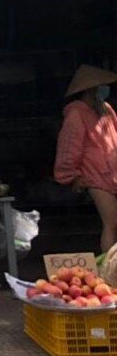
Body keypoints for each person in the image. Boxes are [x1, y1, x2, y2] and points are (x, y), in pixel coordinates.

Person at [54, 65, 117, 254]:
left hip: (113, 171)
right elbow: (69, 147)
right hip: (95, 175)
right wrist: (72, 176)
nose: (106, 89)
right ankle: (109, 267)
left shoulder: (106, 110)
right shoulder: (76, 113)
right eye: (102, 86)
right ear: (91, 89)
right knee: (112, 223)